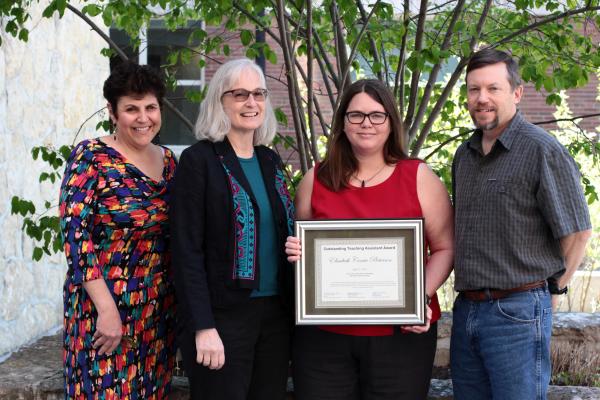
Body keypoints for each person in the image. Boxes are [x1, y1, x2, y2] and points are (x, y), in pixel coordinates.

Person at [285, 79, 454, 400]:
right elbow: (304, 252)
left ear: (391, 123)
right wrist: (297, 251)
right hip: (323, 339)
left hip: (401, 336)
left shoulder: (418, 177)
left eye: (377, 115)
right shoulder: (315, 180)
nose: (366, 124)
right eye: (356, 115)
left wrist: (421, 297)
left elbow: (446, 248)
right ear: (342, 123)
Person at [450, 48, 592, 400]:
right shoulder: (463, 156)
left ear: (516, 93)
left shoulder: (541, 150)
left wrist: (553, 290)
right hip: (466, 311)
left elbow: (578, 232)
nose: (481, 98)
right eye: (473, 89)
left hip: (516, 313)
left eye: (493, 88)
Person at [170, 58, 295, 400]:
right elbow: (186, 252)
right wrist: (203, 326)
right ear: (220, 101)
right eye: (239, 94)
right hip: (222, 319)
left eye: (258, 93)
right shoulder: (199, 162)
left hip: (275, 317)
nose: (251, 102)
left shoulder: (270, 160)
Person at [59, 61, 177, 398]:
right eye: (131, 109)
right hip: (102, 314)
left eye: (150, 107)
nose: (143, 118)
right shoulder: (91, 157)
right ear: (112, 111)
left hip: (158, 314)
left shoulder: (170, 162)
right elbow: (75, 236)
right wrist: (108, 311)